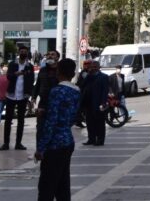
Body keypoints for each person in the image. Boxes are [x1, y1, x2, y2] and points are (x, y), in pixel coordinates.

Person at [35, 58, 82, 201]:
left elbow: (52, 121)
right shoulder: (76, 91)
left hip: (55, 144)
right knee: (63, 185)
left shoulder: (56, 91)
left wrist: (41, 148)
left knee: (46, 187)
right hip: (68, 140)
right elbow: (72, 116)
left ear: (58, 72)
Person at [1, 45, 35, 151]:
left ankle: (18, 143)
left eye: (25, 51)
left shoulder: (30, 66)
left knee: (21, 120)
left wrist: (30, 94)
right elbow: (8, 77)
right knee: (8, 120)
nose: (23, 53)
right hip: (11, 95)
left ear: (27, 53)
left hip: (23, 96)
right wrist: (16, 74)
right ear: (19, 52)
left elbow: (31, 80)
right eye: (21, 51)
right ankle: (6, 143)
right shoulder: (12, 64)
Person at [34, 50, 61, 146]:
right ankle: (40, 149)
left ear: (57, 58)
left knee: (55, 128)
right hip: (43, 103)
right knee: (40, 127)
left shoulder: (61, 71)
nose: (50, 56)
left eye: (52, 55)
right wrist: (34, 97)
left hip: (57, 103)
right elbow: (38, 84)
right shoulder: (43, 70)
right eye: (48, 54)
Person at [81, 61, 110, 146]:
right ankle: (91, 139)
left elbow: (105, 90)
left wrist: (103, 102)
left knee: (99, 123)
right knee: (89, 122)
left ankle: (100, 140)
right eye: (91, 67)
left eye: (95, 67)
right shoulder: (89, 76)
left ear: (98, 67)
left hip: (98, 103)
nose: (93, 68)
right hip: (88, 103)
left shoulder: (104, 77)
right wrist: (88, 75)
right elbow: (82, 85)